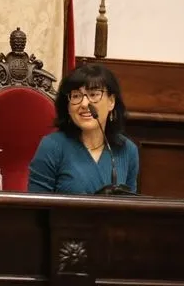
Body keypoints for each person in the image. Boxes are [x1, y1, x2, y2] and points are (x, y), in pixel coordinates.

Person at [28, 63, 139, 194]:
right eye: (76, 96)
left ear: (111, 102)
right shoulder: (52, 146)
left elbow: (131, 208)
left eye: (93, 94)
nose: (84, 104)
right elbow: (36, 208)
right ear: (68, 106)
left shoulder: (127, 150)